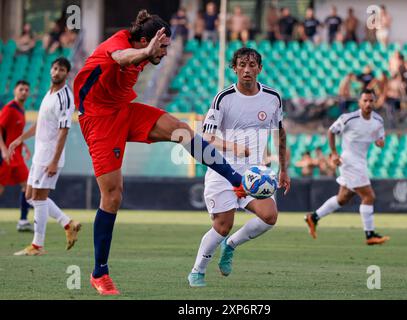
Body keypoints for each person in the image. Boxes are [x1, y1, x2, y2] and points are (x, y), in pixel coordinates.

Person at [73, 10, 250, 296]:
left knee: (181, 130)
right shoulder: (117, 45)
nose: (166, 53)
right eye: (164, 47)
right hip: (98, 119)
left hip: (123, 109)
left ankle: (236, 179)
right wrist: (145, 51)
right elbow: (121, 58)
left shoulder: (144, 49)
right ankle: (99, 273)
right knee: (113, 195)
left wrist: (148, 52)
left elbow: (133, 60)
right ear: (145, 40)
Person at [188, 47, 290, 287]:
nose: (247, 69)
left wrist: (284, 168)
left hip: (254, 172)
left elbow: (280, 133)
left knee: (269, 216)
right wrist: (233, 147)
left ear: (259, 68)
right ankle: (198, 270)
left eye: (252, 65)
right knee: (223, 225)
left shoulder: (273, 97)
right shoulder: (223, 98)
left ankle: (231, 245)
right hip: (222, 170)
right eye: (242, 64)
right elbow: (207, 136)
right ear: (234, 68)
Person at [12, 58, 82, 256]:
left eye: (61, 69)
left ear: (66, 73)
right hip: (39, 154)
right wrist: (20, 139)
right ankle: (67, 223)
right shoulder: (49, 94)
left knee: (38, 198)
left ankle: (37, 245)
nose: (56, 71)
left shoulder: (65, 97)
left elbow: (64, 131)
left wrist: (54, 160)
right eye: (54, 68)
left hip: (50, 155)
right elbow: (41, 123)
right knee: (29, 196)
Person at [304, 89, 390, 245]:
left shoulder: (378, 120)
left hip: (361, 161)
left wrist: (380, 142)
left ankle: (313, 217)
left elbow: (380, 138)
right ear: (359, 102)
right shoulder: (349, 118)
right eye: (365, 100)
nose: (368, 103)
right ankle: (370, 235)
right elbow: (331, 131)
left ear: (375, 102)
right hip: (349, 161)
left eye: (371, 101)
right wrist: (334, 154)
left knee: (343, 198)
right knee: (369, 197)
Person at [0, 81, 33, 232]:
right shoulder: (9, 109)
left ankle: (23, 220)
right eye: (21, 89)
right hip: (5, 156)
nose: (24, 92)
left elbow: (15, 133)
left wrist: (23, 147)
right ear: (15, 90)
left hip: (17, 156)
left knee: (28, 185)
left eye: (26, 90)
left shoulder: (21, 109)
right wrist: (3, 150)